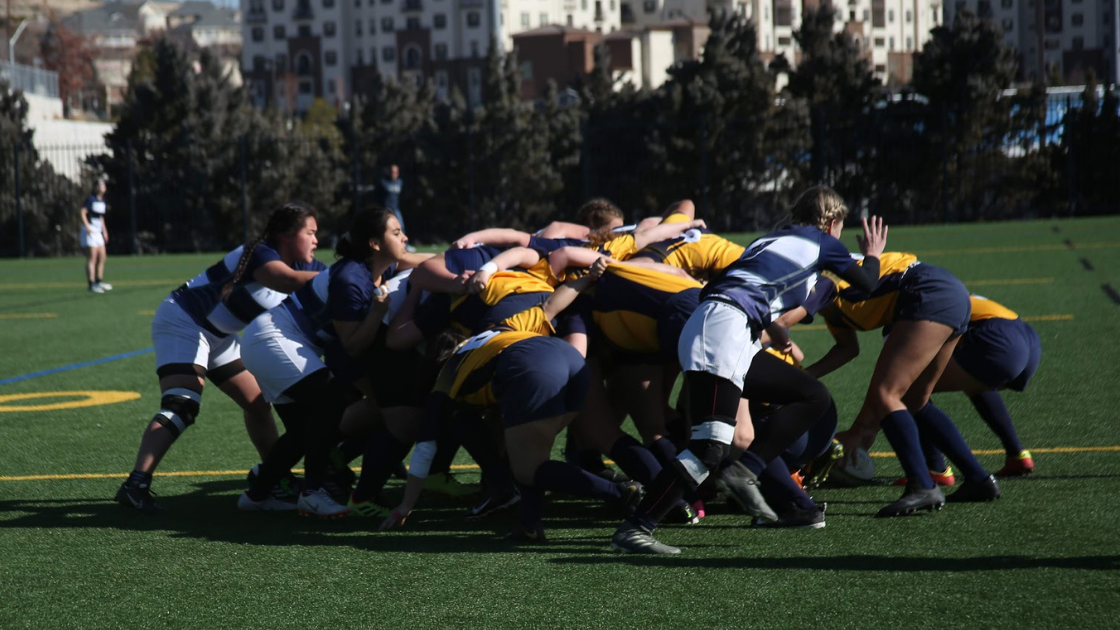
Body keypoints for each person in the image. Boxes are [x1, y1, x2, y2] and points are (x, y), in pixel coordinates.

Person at [609, 185, 887, 555]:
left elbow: (784, 296)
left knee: (811, 395)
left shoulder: (773, 239)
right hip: (723, 329)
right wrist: (872, 255)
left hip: (729, 330)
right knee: (708, 447)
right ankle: (636, 527)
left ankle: (747, 468)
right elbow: (867, 284)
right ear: (833, 222)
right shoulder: (822, 241)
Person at [115, 202, 323, 514]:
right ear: (286, 234)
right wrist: (345, 276)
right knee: (182, 404)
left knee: (257, 402)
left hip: (219, 335)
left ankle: (276, 478)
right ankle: (135, 484)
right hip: (184, 320)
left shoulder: (303, 265)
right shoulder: (264, 253)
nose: (316, 240)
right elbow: (290, 281)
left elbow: (328, 279)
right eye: (310, 233)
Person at [238, 208, 425, 517]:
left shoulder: (378, 267)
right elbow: (351, 345)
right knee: (331, 400)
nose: (404, 237)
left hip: (278, 340)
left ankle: (256, 495)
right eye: (396, 232)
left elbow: (415, 261)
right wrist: (377, 313)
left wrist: (460, 258)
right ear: (374, 244)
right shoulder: (351, 278)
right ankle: (313, 493)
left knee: (301, 431)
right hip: (273, 339)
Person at [804, 252, 1002, 517]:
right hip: (948, 292)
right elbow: (847, 349)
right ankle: (978, 479)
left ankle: (922, 485)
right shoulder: (829, 291)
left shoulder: (820, 280)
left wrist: (859, 431)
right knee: (914, 401)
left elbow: (788, 316)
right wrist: (806, 376)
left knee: (887, 395)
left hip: (926, 293)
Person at [80, 180, 111, 293]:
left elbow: (100, 217)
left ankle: (99, 281)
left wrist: (105, 231)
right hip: (90, 230)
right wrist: (87, 226)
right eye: (100, 185)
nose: (102, 187)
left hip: (98, 231)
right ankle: (91, 284)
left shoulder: (102, 200)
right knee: (92, 257)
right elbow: (83, 212)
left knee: (102, 256)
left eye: (103, 185)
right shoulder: (91, 199)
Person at [378, 164, 413, 251]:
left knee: (401, 226)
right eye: (392, 172)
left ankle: (405, 245)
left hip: (396, 209)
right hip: (386, 210)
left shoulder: (399, 182)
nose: (394, 174)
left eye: (395, 172)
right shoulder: (384, 182)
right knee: (384, 228)